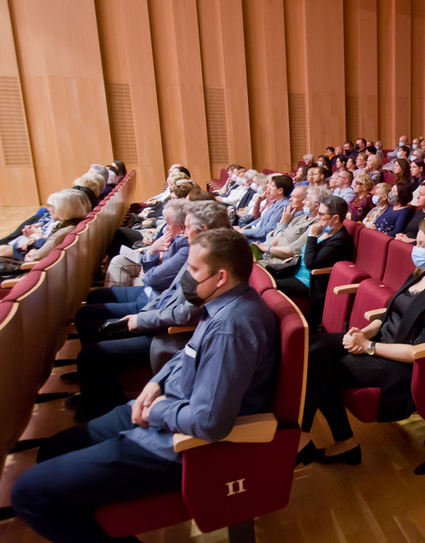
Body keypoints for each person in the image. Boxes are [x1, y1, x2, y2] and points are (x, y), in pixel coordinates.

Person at [11, 229, 278, 543]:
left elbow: (208, 422)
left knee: (29, 494)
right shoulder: (221, 303)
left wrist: (156, 411)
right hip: (162, 407)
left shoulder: (231, 328)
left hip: (176, 443)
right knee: (53, 451)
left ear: (220, 277)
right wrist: (155, 382)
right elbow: (188, 353)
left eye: (193, 270)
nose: (186, 278)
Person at [297, 220, 425, 465]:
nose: (415, 249)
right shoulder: (419, 275)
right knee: (313, 347)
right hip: (378, 343)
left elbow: (418, 351)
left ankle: (332, 441)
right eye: (416, 243)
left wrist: (368, 346)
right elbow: (389, 315)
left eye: (422, 245)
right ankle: (310, 436)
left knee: (325, 367)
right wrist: (363, 333)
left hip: (398, 363)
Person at [69, 202, 232, 421]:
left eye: (186, 227)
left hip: (170, 335)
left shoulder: (212, 261)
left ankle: (99, 410)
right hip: (159, 320)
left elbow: (188, 312)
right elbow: (169, 293)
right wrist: (144, 315)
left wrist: (143, 319)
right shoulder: (200, 251)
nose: (183, 233)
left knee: (92, 354)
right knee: (93, 330)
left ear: (203, 230)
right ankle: (100, 400)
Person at [275, 195, 354, 325]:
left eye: (321, 214)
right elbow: (307, 252)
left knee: (270, 285)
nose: (317, 217)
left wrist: (311, 236)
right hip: (295, 271)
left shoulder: (340, 240)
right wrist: (295, 257)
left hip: (308, 282)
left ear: (335, 218)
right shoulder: (325, 230)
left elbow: (311, 263)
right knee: (264, 275)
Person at [0, 189, 90, 261]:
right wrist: (36, 238)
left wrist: (33, 248)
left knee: (3, 249)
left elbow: (35, 257)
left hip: (36, 264)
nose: (48, 209)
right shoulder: (68, 224)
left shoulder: (63, 231)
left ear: (64, 209)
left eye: (51, 206)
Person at [255, 186, 322, 267]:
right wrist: (266, 246)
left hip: (281, 261)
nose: (303, 202)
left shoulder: (315, 225)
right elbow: (282, 235)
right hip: (270, 254)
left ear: (316, 206)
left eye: (307, 200)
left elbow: (293, 250)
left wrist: (268, 249)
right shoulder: (300, 217)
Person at [236, 174, 293, 242]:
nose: (269, 187)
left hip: (261, 240)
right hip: (256, 233)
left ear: (280, 190)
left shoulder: (283, 206)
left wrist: (244, 232)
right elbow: (260, 219)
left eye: (272, 186)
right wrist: (245, 228)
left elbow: (267, 230)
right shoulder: (276, 201)